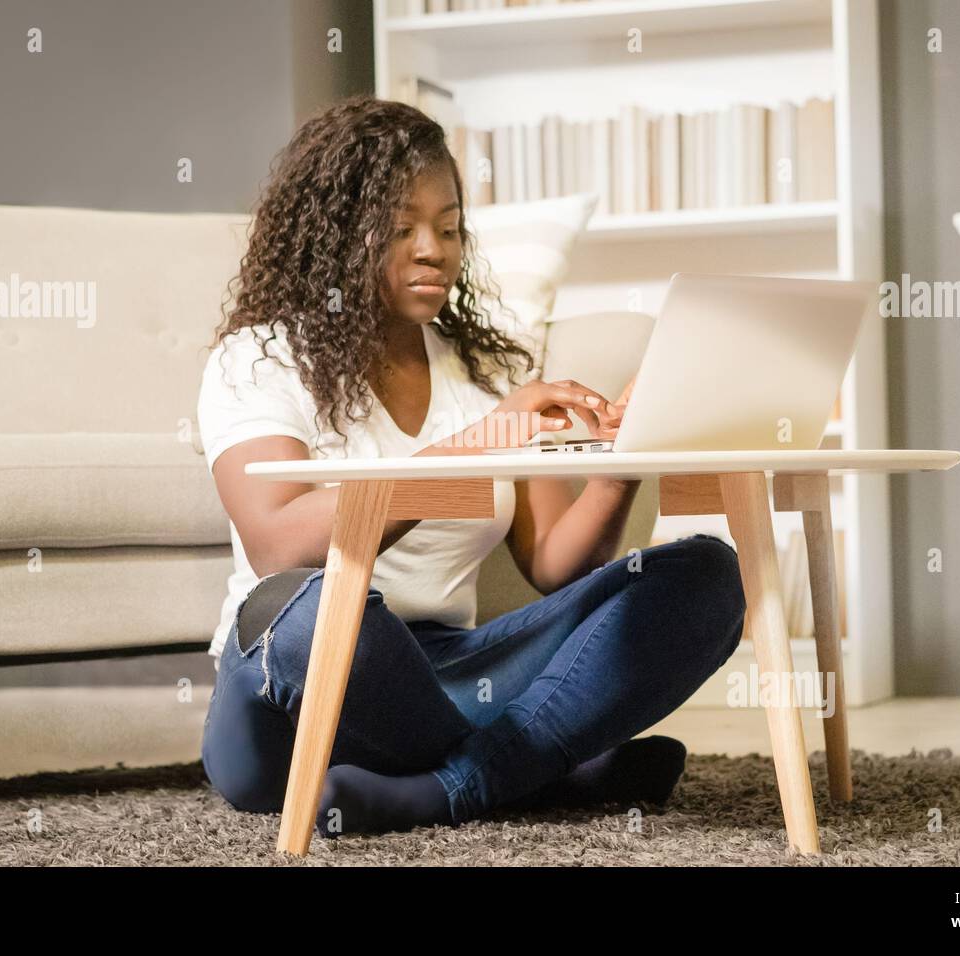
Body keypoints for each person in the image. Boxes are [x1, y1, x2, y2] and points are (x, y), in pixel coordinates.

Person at [196, 94, 747, 839]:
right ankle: (543, 767)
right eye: (400, 229)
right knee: (311, 608)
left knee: (706, 576)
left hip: (453, 674)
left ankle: (452, 788)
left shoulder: (486, 371)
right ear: (332, 236)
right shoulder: (256, 360)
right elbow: (279, 546)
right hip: (293, 690)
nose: (435, 249)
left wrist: (621, 466)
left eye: (449, 226)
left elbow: (556, 563)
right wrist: (485, 440)